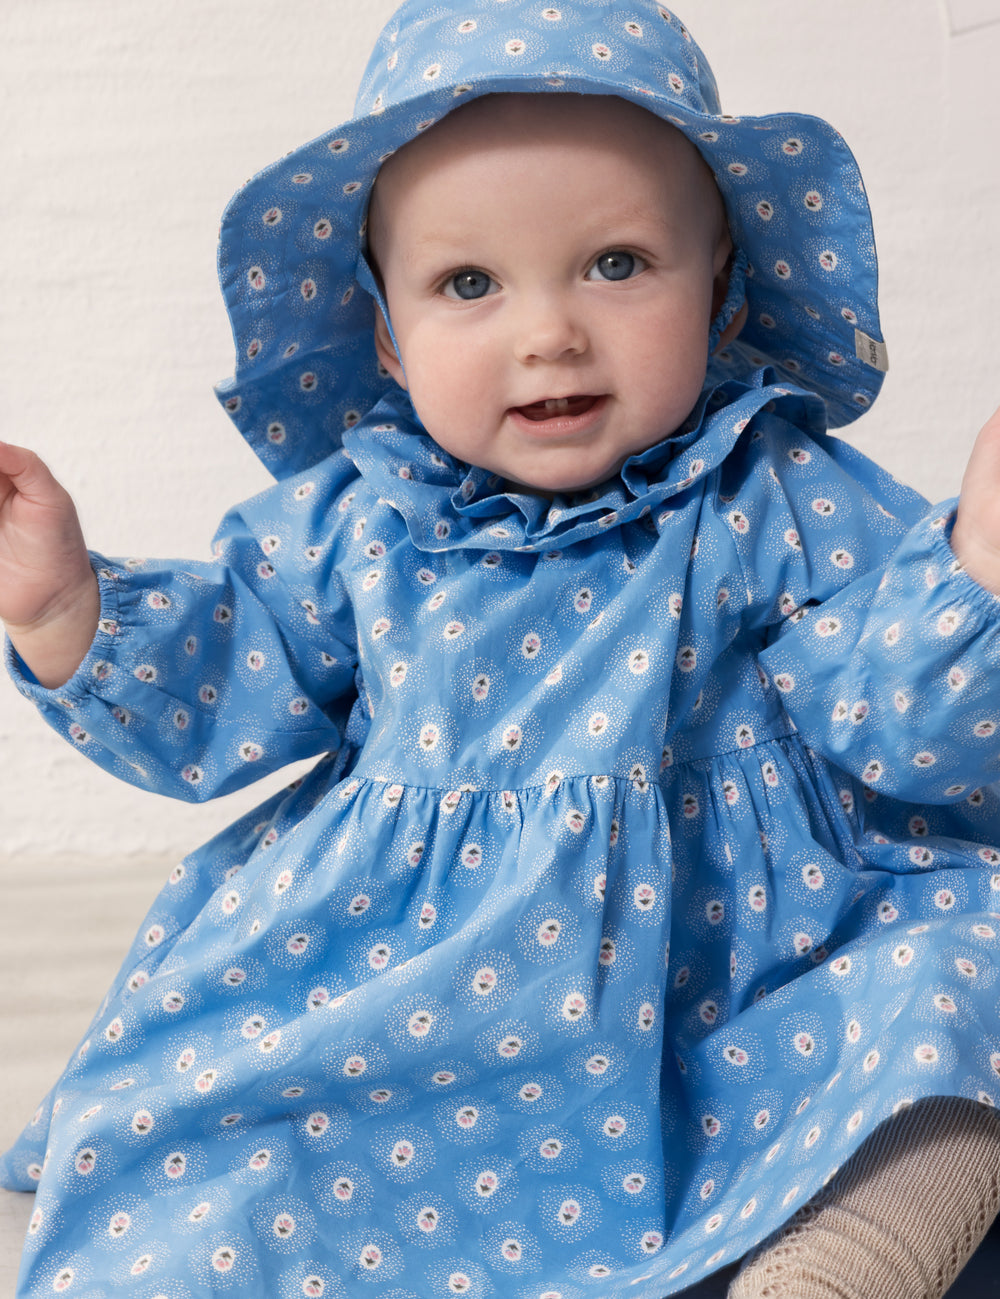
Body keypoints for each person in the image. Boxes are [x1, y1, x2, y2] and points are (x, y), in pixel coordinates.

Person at [1, 2, 998, 1296]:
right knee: (234, 1164)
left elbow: (905, 726)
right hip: (418, 990)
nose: (549, 333)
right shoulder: (368, 526)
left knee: (959, 972)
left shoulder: (770, 492)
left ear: (727, 288)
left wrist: (974, 566)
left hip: (752, 970)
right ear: (385, 335)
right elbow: (225, 677)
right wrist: (63, 606)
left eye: (619, 264)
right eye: (469, 285)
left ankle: (843, 1260)